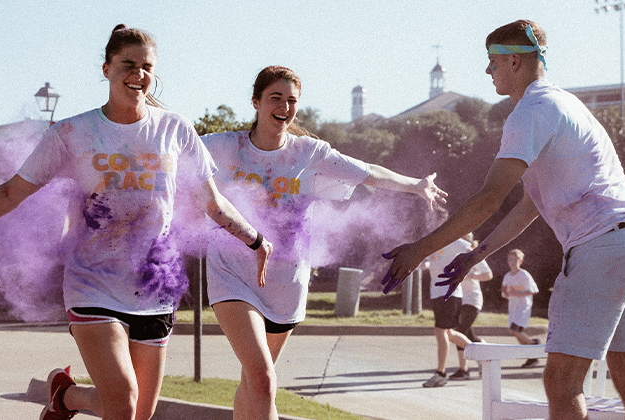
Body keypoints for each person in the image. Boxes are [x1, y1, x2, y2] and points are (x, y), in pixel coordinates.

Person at [0, 25, 272, 420]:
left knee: (138, 415)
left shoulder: (175, 129)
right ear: (107, 69)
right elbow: (10, 193)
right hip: (93, 282)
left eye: (147, 67)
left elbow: (214, 204)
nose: (138, 74)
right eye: (128, 65)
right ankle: (69, 397)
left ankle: (65, 396)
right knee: (122, 402)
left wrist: (256, 240)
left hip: (156, 285)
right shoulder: (73, 132)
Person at [381, 20, 625, 420]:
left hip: (600, 245)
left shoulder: (529, 112)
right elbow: (531, 203)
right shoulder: (566, 103)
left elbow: (489, 198)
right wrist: (478, 253)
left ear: (515, 60)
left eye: (492, 61)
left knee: (562, 383)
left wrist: (419, 250)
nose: (487, 70)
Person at [200, 65, 447, 417]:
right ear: (255, 102)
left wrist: (415, 185)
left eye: (291, 100)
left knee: (254, 380)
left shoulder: (309, 153)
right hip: (232, 274)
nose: (284, 107)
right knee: (263, 378)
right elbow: (171, 149)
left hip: (287, 281)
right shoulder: (224, 147)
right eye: (275, 98)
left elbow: (367, 173)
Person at [421, 232, 492, 387]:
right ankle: (481, 356)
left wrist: (469, 272)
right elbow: (426, 261)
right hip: (437, 293)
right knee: (448, 333)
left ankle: (441, 374)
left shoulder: (456, 243)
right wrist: (421, 265)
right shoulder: (432, 244)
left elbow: (478, 256)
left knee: (440, 331)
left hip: (450, 293)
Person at [453, 234, 493, 378]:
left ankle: (464, 369)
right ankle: (481, 347)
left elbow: (488, 274)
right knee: (468, 334)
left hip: (473, 300)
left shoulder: (475, 255)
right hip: (459, 299)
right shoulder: (454, 255)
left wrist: (470, 276)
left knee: (460, 331)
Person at [501, 249, 541, 368]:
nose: (513, 262)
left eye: (515, 259)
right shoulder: (507, 276)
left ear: (521, 261)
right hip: (513, 308)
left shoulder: (524, 274)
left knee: (515, 329)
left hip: (523, 307)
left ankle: (534, 345)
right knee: (513, 332)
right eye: (510, 259)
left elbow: (534, 290)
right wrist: (508, 294)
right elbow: (504, 290)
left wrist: (520, 293)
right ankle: (532, 355)